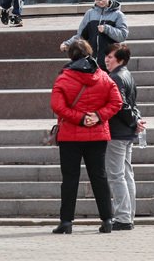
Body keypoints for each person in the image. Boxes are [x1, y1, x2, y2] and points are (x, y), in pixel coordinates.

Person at [49, 38, 123, 234]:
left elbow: (57, 106)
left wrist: (81, 119)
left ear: (70, 55)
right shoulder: (104, 76)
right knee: (99, 177)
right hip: (97, 135)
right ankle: (107, 220)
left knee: (70, 179)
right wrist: (98, 116)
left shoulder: (64, 77)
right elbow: (116, 102)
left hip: (70, 137)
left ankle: (66, 222)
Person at [104, 43, 144, 231]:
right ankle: (128, 214)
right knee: (126, 174)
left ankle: (122, 216)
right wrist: (135, 121)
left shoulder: (116, 77)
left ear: (120, 59)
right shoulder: (127, 75)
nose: (106, 59)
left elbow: (120, 104)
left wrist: (132, 122)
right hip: (126, 133)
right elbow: (131, 103)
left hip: (117, 132)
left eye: (110, 57)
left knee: (116, 175)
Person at [59, 0, 129, 69]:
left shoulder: (118, 15)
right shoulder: (89, 14)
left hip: (110, 64)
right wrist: (68, 44)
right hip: (92, 63)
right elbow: (81, 36)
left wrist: (107, 29)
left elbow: (123, 35)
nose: (100, 2)